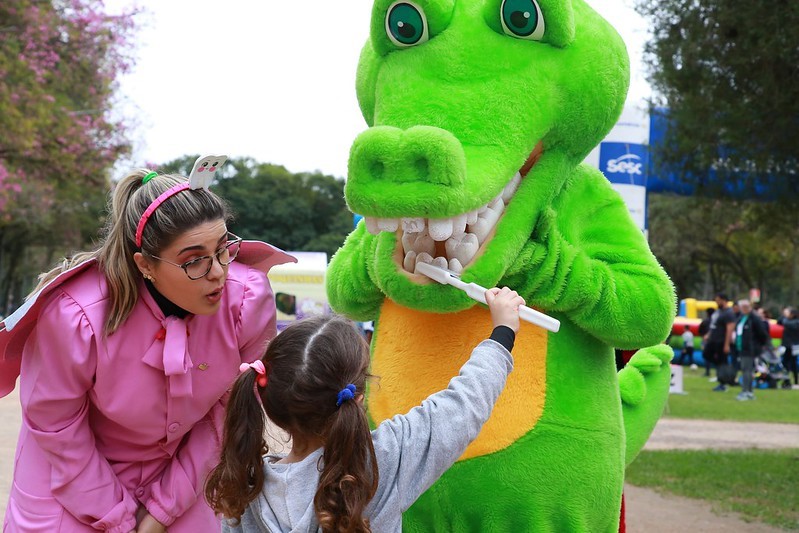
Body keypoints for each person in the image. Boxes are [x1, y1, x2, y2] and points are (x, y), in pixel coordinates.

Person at [0, 169, 293, 532]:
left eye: (222, 249)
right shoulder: (76, 316)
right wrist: (118, 519)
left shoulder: (247, 300)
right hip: (70, 477)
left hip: (184, 474)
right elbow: (57, 426)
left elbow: (227, 413)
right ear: (145, 265)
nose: (218, 272)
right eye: (194, 260)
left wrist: (161, 512)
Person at [205, 287, 525, 532]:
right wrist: (503, 333)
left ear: (266, 395)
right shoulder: (379, 463)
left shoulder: (245, 488)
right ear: (357, 398)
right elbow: (462, 407)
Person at [733, 300, 768, 401]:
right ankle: (747, 391)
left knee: (747, 370)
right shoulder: (741, 318)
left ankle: (747, 391)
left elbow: (762, 334)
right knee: (745, 369)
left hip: (750, 349)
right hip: (742, 347)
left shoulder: (754, 319)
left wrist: (757, 345)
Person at [704, 293, 736, 391]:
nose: (716, 302)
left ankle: (723, 382)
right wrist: (708, 334)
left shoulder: (729, 313)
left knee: (722, 361)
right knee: (706, 354)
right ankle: (723, 374)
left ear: (724, 300)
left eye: (718, 300)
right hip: (713, 340)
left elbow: (729, 329)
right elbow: (714, 325)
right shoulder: (718, 312)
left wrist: (726, 344)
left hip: (721, 341)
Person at [778, 307, 799, 386]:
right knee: (785, 363)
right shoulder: (786, 320)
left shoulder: (796, 322)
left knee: (792, 363)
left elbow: (786, 323)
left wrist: (785, 316)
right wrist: (784, 315)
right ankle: (786, 380)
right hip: (787, 345)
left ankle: (795, 381)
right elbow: (779, 321)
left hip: (793, 346)